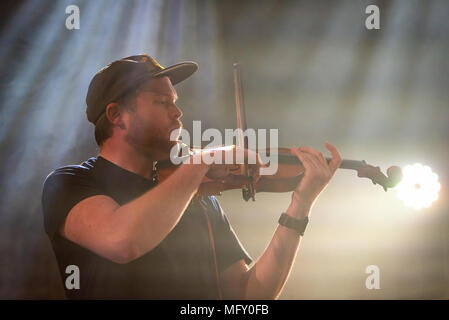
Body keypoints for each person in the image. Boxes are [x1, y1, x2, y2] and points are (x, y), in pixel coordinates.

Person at [41, 54, 342, 299]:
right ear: (116, 115)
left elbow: (247, 295)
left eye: (175, 101)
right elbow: (123, 242)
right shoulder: (70, 183)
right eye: (162, 102)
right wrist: (200, 163)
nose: (178, 113)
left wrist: (300, 207)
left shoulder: (198, 195)